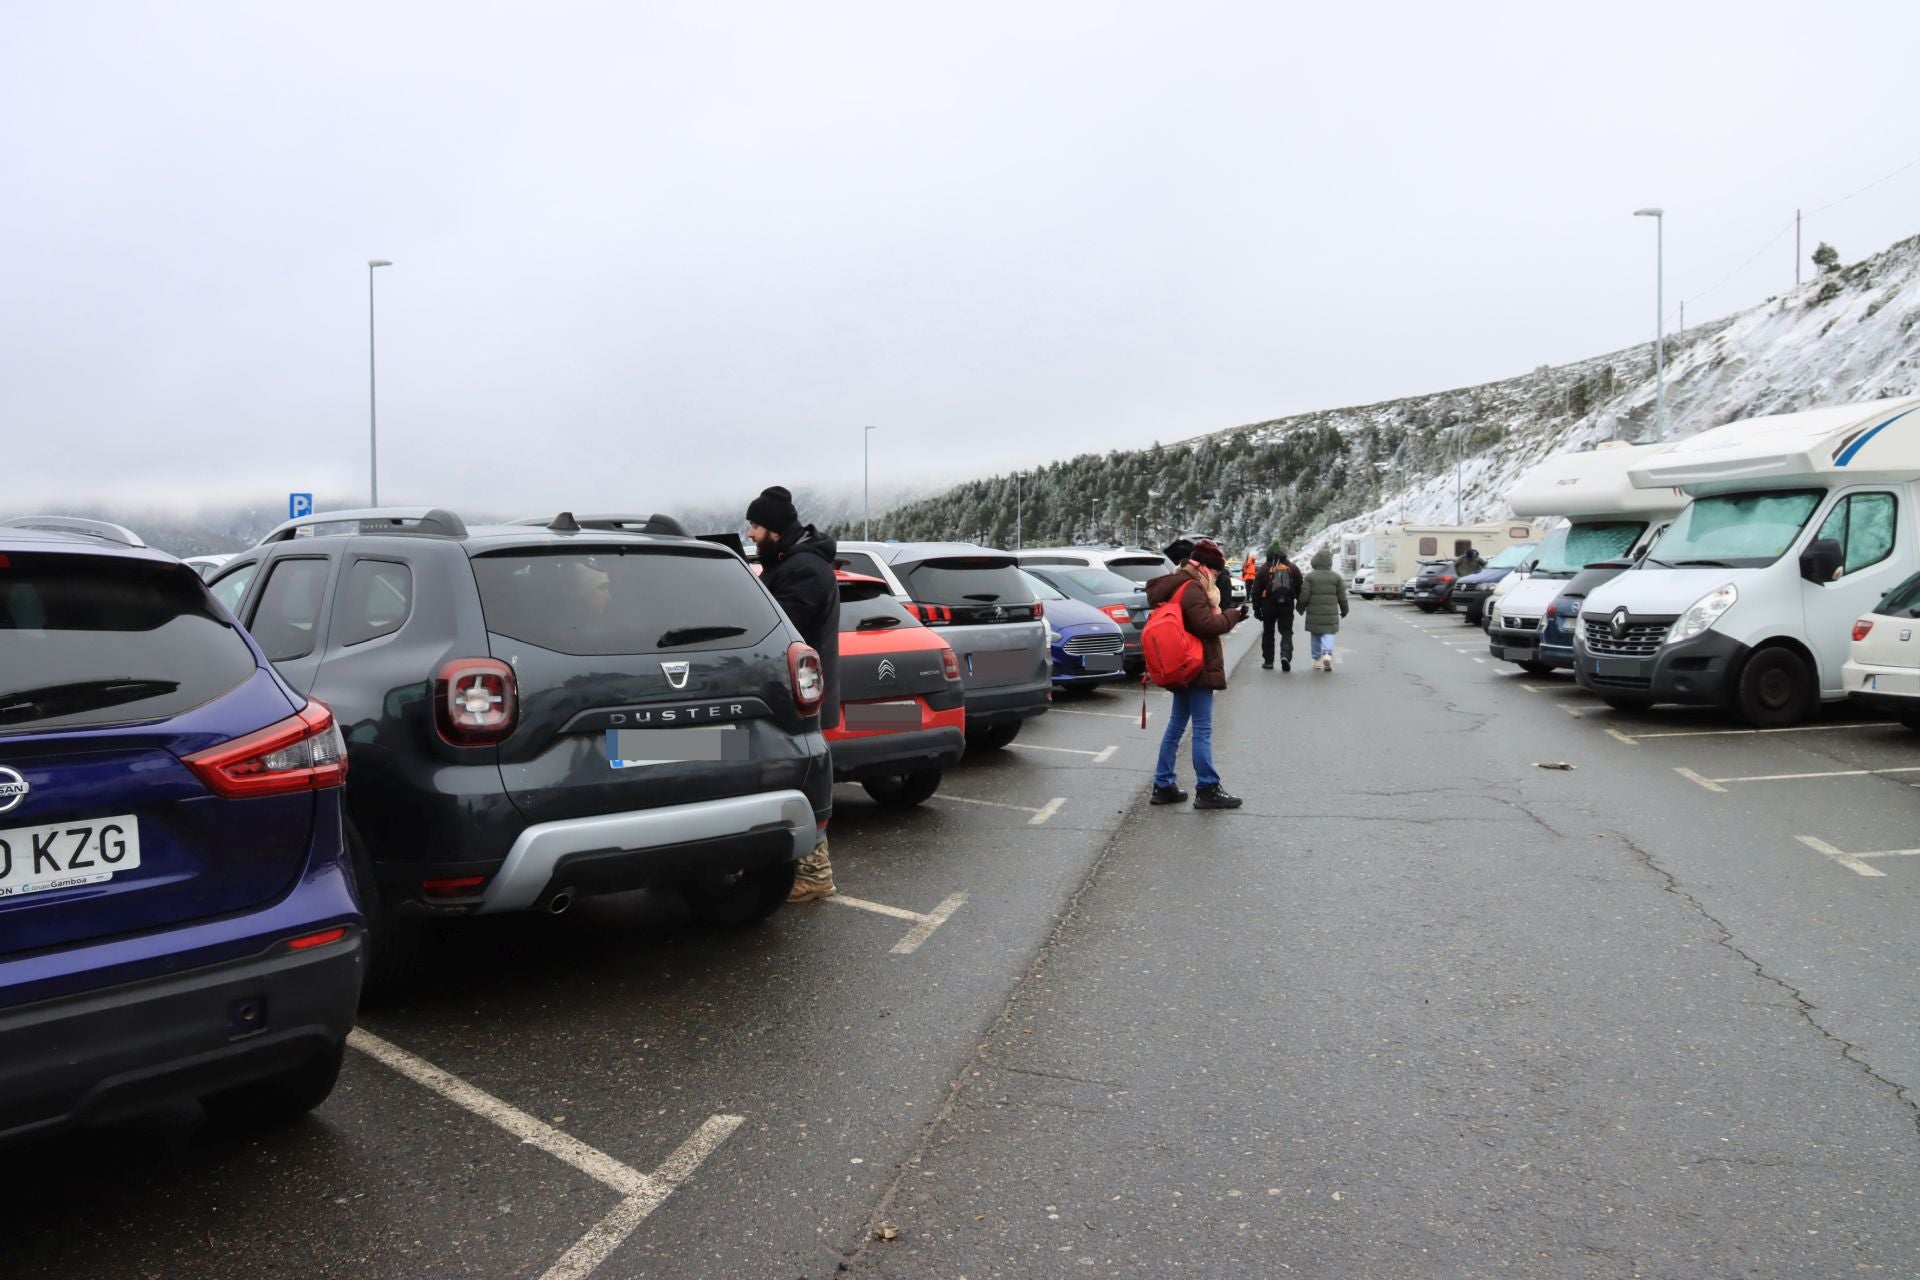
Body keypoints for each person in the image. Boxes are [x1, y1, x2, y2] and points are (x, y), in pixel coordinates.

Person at [747, 485, 841, 901]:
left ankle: (815, 874)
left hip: (796, 695)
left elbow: (781, 633)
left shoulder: (803, 570)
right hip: (794, 694)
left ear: (774, 529)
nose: (750, 533)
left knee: (800, 778)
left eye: (755, 526)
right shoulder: (792, 562)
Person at [1145, 538, 1247, 810]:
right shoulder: (1192, 588)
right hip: (1196, 665)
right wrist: (1233, 616)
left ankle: (1163, 784)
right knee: (1202, 728)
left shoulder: (1177, 583)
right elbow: (1206, 625)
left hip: (1181, 664)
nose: (1215, 577)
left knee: (1176, 726)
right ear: (1203, 567)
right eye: (1214, 572)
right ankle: (1207, 787)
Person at [1250, 542, 1303, 671]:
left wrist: (1256, 609)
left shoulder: (1264, 569)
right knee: (1286, 632)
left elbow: (1255, 590)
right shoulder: (1292, 568)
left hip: (1268, 605)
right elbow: (1300, 586)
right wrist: (1298, 602)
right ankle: (1285, 655)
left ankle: (1268, 661)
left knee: (1268, 632)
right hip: (1287, 605)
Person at [1296, 546, 1349, 672]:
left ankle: (1317, 660)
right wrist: (1344, 609)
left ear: (1316, 561)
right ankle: (1327, 654)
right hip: (1330, 613)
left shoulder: (1310, 577)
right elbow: (1342, 597)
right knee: (1328, 633)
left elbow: (1304, 595)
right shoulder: (1336, 577)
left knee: (1315, 635)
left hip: (1314, 612)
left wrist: (1300, 607)